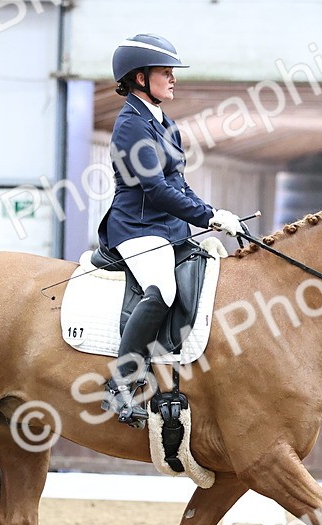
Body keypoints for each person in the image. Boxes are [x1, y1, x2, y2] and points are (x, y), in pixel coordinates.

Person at [98, 33, 243, 426]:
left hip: (170, 227)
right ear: (140, 78)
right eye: (166, 72)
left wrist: (211, 212)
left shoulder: (165, 122)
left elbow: (178, 183)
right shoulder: (130, 124)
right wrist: (207, 216)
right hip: (138, 228)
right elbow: (154, 188)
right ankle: (120, 383)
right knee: (163, 290)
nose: (173, 78)